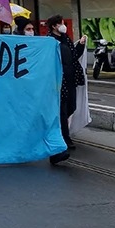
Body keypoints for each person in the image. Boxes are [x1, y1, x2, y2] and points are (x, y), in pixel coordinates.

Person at [46, 14, 86, 165]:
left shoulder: (66, 39)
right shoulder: (50, 41)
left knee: (71, 106)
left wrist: (81, 45)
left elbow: (74, 56)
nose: (64, 26)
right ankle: (64, 138)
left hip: (70, 79)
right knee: (62, 111)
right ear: (54, 26)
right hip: (58, 81)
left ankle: (62, 136)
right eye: (61, 23)